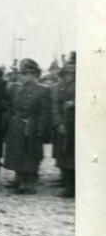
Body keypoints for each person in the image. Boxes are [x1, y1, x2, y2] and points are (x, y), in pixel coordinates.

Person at [3, 58, 51, 195]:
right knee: (17, 152)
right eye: (21, 73)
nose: (22, 76)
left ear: (33, 75)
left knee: (31, 153)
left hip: (32, 125)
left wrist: (41, 130)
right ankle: (19, 178)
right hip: (17, 125)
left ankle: (30, 182)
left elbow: (44, 113)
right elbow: (10, 103)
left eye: (25, 74)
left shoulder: (42, 90)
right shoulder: (17, 88)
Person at [52, 52, 76, 198]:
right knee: (65, 155)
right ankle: (69, 186)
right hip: (66, 124)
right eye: (69, 65)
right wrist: (58, 122)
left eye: (74, 65)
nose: (71, 68)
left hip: (84, 125)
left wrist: (75, 103)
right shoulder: (62, 85)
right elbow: (55, 104)